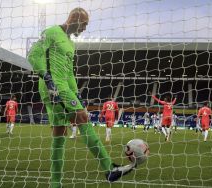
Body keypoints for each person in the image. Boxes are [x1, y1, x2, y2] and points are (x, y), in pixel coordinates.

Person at [28, 8, 134, 187]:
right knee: (83, 118)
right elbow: (33, 55)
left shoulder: (70, 44)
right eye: (84, 24)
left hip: (63, 86)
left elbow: (69, 73)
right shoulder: (51, 32)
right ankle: (109, 168)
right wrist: (46, 78)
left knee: (59, 135)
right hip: (54, 87)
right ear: (75, 18)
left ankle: (55, 183)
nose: (85, 28)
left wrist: (77, 93)